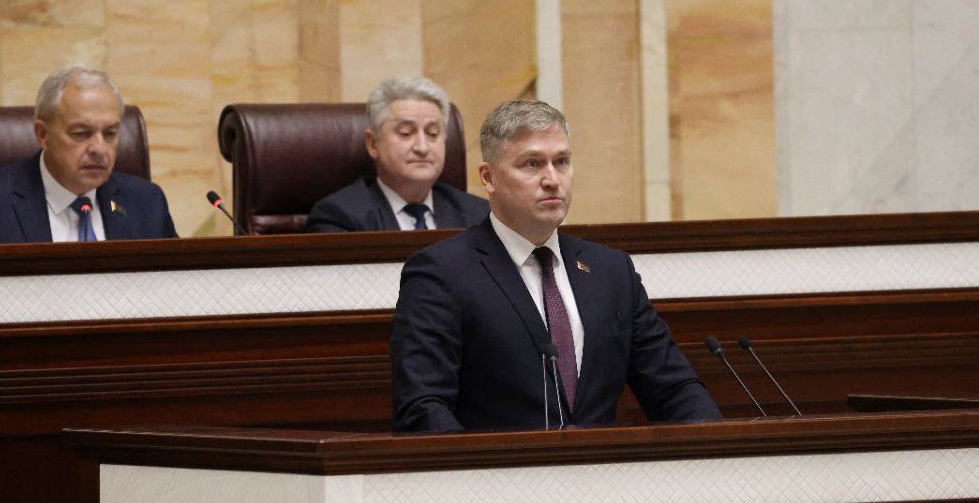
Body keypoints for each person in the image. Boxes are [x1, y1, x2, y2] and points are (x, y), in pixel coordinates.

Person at [390, 100, 722, 432]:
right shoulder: (441, 273)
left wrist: (720, 450)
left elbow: (674, 389)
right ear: (489, 178)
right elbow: (423, 407)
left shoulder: (611, 272)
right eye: (532, 164)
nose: (552, 179)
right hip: (502, 465)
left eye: (561, 162)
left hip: (602, 465)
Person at [0, 65, 178, 245]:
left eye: (110, 133)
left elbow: (176, 289)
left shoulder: (147, 203)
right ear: (43, 134)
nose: (99, 148)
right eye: (81, 133)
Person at [306, 76, 489, 232]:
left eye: (432, 133)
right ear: (373, 143)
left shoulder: (480, 216)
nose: (422, 147)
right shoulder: (340, 217)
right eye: (406, 133)